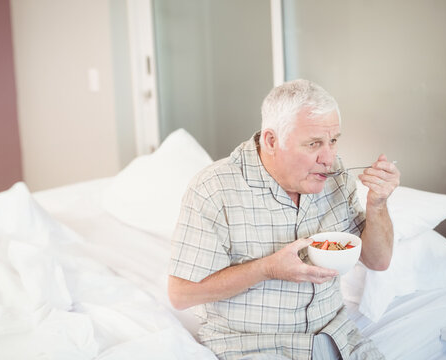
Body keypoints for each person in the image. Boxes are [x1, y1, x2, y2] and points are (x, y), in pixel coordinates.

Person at [167, 79, 400, 360]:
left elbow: (379, 260)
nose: (328, 158)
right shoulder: (214, 189)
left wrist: (377, 204)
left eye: (333, 140)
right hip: (254, 347)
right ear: (272, 141)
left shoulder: (336, 178)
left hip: (336, 338)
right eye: (314, 144)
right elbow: (181, 295)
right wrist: (266, 269)